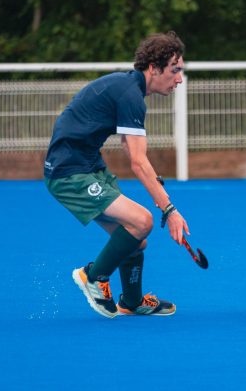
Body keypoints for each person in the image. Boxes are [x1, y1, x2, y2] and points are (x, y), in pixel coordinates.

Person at [44, 31, 190, 318]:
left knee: (135, 238)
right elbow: (137, 161)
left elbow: (130, 148)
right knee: (142, 221)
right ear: (153, 68)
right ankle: (93, 276)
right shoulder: (130, 95)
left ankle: (132, 302)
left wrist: (156, 187)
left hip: (88, 166)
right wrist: (169, 209)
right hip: (68, 173)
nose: (179, 79)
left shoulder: (128, 88)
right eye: (175, 70)